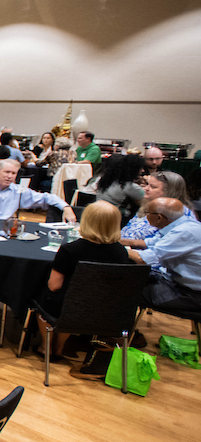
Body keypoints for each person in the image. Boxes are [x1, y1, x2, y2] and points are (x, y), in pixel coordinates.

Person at [34, 202, 130, 361]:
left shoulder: (71, 249)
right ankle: (59, 348)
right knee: (75, 303)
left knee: (46, 297)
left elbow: (54, 285)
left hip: (70, 306)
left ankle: (46, 347)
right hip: (107, 308)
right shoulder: (121, 252)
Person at [129, 198, 201, 313]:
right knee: (134, 279)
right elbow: (150, 244)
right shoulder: (183, 224)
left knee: (126, 288)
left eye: (147, 213)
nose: (145, 216)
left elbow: (142, 259)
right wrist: (117, 241)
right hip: (178, 284)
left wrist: (116, 248)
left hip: (191, 295)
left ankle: (119, 329)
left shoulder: (183, 233)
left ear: (159, 217)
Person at [0, 159, 76, 221]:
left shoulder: (18, 191)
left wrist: (66, 207)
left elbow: (46, 198)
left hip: (4, 234)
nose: (9, 176)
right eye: (6, 172)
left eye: (13, 173)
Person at [121, 171, 194, 251]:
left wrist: (122, 244)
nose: (146, 189)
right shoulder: (148, 204)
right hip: (126, 248)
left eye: (153, 187)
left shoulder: (180, 214)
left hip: (145, 257)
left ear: (169, 191)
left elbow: (159, 245)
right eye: (147, 184)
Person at [94, 153, 145, 223]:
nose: (143, 170)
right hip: (117, 220)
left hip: (97, 215)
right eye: (141, 168)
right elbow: (145, 204)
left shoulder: (103, 181)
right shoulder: (129, 187)